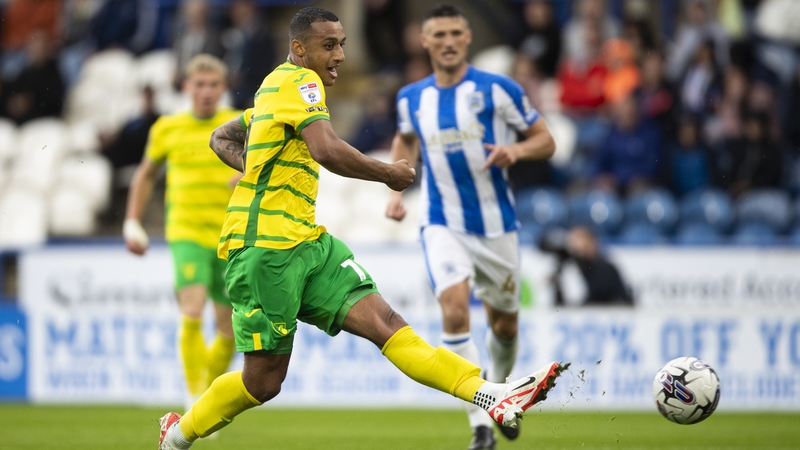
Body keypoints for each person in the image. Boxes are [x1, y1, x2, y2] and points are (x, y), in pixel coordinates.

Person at [157, 7, 567, 450]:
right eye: (329, 45)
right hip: (264, 251)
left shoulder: (276, 87)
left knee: (387, 323)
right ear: (299, 48)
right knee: (263, 383)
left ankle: (493, 396)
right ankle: (178, 436)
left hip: (309, 244)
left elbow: (223, 136)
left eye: (342, 44)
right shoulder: (299, 82)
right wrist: (387, 173)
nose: (340, 55)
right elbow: (327, 150)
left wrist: (259, 167)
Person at [385, 5, 556, 450]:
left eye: (455, 33)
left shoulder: (499, 90)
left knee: (504, 327)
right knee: (455, 310)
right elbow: (405, 138)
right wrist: (395, 189)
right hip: (442, 221)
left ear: (467, 39)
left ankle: (500, 390)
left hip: (497, 225)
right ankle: (481, 423)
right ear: (425, 41)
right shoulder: (411, 97)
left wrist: (516, 152)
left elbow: (546, 140)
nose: (446, 41)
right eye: (437, 33)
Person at [124, 54, 241, 414]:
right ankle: (195, 402)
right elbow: (145, 174)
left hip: (230, 235)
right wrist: (132, 220)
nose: (206, 92)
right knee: (191, 310)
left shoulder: (238, 124)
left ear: (224, 88)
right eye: (200, 85)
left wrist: (249, 174)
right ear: (187, 87)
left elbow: (268, 159)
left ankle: (205, 397)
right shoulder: (167, 128)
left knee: (229, 333)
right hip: (186, 232)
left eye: (213, 85)